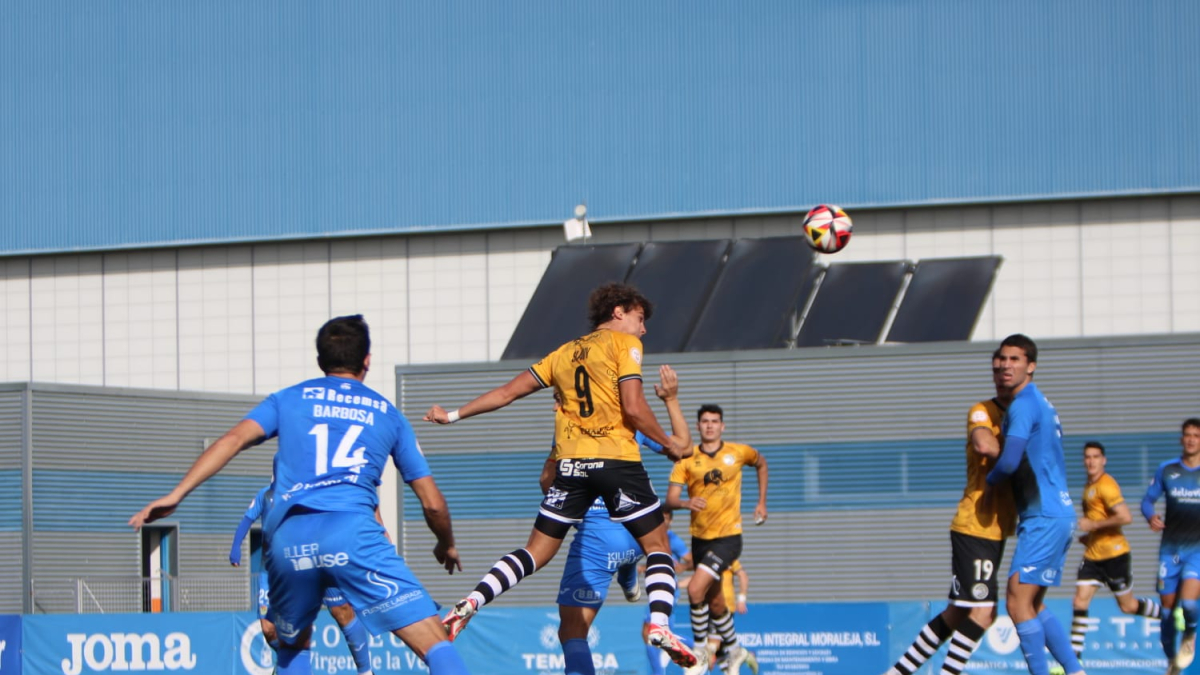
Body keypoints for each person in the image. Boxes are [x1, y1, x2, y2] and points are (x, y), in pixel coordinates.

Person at [130, 315, 469, 675]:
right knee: (435, 643)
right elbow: (432, 503)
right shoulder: (389, 414)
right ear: (367, 359)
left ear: (320, 359)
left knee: (292, 649)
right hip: (352, 533)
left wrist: (177, 493)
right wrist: (445, 542)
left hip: (289, 540)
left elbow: (232, 440)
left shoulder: (288, 400)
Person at [424, 283, 698, 670]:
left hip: (571, 468)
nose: (643, 329)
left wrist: (451, 415)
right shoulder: (626, 347)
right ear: (619, 312)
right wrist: (667, 443)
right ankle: (659, 624)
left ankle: (472, 601)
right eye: (640, 319)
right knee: (658, 548)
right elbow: (634, 409)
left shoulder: (563, 353)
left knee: (534, 552)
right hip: (617, 462)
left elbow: (506, 393)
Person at [883, 351, 1016, 675]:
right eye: (998, 367)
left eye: (1011, 364)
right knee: (984, 612)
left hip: (995, 530)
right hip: (975, 526)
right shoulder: (983, 411)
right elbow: (984, 445)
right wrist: (1020, 457)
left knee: (958, 612)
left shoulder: (1027, 412)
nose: (1003, 371)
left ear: (1030, 367)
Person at [984, 334, 1084, 675]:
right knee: (1033, 603)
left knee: (1015, 600)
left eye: (1015, 359)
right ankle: (1075, 670)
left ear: (1031, 366)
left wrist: (989, 483)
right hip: (1056, 513)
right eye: (1003, 359)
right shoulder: (1042, 402)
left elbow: (1010, 461)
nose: (1006, 365)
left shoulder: (1023, 405)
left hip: (1044, 515)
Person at [230, 484, 379, 675]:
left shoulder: (311, 490)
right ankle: (289, 662)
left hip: (311, 561)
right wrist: (236, 547)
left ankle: (366, 671)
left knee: (341, 612)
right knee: (268, 629)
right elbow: (248, 518)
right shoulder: (265, 495)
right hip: (274, 570)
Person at [665, 404, 767, 675]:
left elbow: (761, 463)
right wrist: (686, 503)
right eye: (705, 421)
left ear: (722, 426)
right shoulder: (687, 459)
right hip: (700, 539)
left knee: (695, 590)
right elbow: (671, 499)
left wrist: (761, 503)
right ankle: (735, 650)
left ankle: (699, 651)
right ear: (698, 426)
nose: (710, 425)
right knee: (717, 603)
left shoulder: (738, 452)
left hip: (729, 538)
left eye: (715, 421)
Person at [1069, 441, 1162, 661]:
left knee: (1128, 607)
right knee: (1079, 601)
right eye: (1087, 457)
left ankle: (1166, 615)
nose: (1091, 461)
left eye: (1095, 457)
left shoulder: (1106, 485)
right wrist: (1090, 536)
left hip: (1115, 555)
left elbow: (1124, 517)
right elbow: (1099, 518)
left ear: (1104, 460)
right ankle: (1073, 661)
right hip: (1093, 555)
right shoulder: (1089, 486)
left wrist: (1094, 527)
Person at [1141, 418, 1200, 675]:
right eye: (1187, 435)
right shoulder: (1167, 470)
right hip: (1170, 551)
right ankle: (1171, 662)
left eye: (1196, 436)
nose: (1191, 439)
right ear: (1181, 439)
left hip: (1197, 551)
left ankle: (1190, 632)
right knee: (1166, 614)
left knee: (1187, 604)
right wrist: (1150, 516)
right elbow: (1147, 500)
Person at [643, 508, 693, 675]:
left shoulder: (674, 541)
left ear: (670, 521)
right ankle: (700, 647)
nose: (663, 522)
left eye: (666, 519)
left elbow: (692, 561)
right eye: (660, 518)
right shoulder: (652, 535)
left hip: (668, 593)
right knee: (653, 633)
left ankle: (699, 647)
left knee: (656, 632)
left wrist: (682, 567)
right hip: (655, 591)